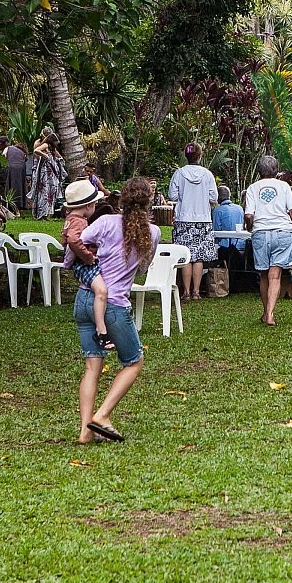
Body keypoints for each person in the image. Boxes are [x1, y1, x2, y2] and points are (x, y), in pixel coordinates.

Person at [75, 176, 159, 444]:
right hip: (114, 305)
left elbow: (78, 241)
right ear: (149, 203)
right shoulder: (152, 233)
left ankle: (85, 433)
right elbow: (143, 268)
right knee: (134, 361)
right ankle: (102, 415)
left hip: (85, 297)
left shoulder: (104, 223)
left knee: (92, 366)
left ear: (121, 199)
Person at [243, 155, 292, 327]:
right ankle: (270, 314)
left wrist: (249, 226)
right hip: (283, 232)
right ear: (276, 170)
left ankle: (266, 313)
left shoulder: (252, 188)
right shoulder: (284, 186)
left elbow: (249, 215)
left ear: (258, 171)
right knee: (275, 275)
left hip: (261, 233)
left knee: (264, 274)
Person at [61, 179, 112, 351]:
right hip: (84, 264)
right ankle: (102, 330)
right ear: (88, 206)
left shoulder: (70, 218)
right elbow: (74, 240)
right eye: (95, 205)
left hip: (80, 263)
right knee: (101, 291)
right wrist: (89, 257)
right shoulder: (79, 221)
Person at [168, 144, 218, 302]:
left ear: (186, 156)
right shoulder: (207, 174)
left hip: (184, 219)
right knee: (199, 257)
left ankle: (186, 292)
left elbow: (172, 195)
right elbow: (214, 197)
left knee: (186, 256)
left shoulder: (179, 173)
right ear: (200, 156)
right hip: (203, 219)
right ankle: (196, 291)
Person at [31, 135, 64, 219]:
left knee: (50, 192)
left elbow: (58, 156)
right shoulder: (45, 145)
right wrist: (44, 155)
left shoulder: (52, 148)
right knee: (44, 192)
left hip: (50, 173)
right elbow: (36, 150)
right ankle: (41, 214)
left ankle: (47, 214)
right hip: (45, 172)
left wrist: (60, 159)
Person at [1, 136, 28, 210]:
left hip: (12, 167)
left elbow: (3, 155)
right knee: (20, 185)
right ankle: (21, 204)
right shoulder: (22, 152)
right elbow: (25, 159)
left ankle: (11, 205)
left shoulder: (8, 148)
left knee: (10, 185)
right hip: (21, 168)